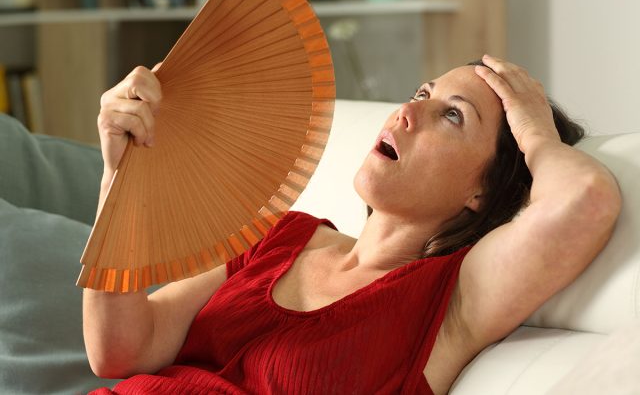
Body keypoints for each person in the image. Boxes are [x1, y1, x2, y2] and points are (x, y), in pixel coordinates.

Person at [84, 55, 621, 395]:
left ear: (481, 192)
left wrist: (535, 135)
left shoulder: (451, 298)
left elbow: (585, 201)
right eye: (421, 94)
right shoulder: (283, 234)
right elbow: (122, 349)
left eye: (452, 115)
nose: (405, 114)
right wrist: (120, 178)